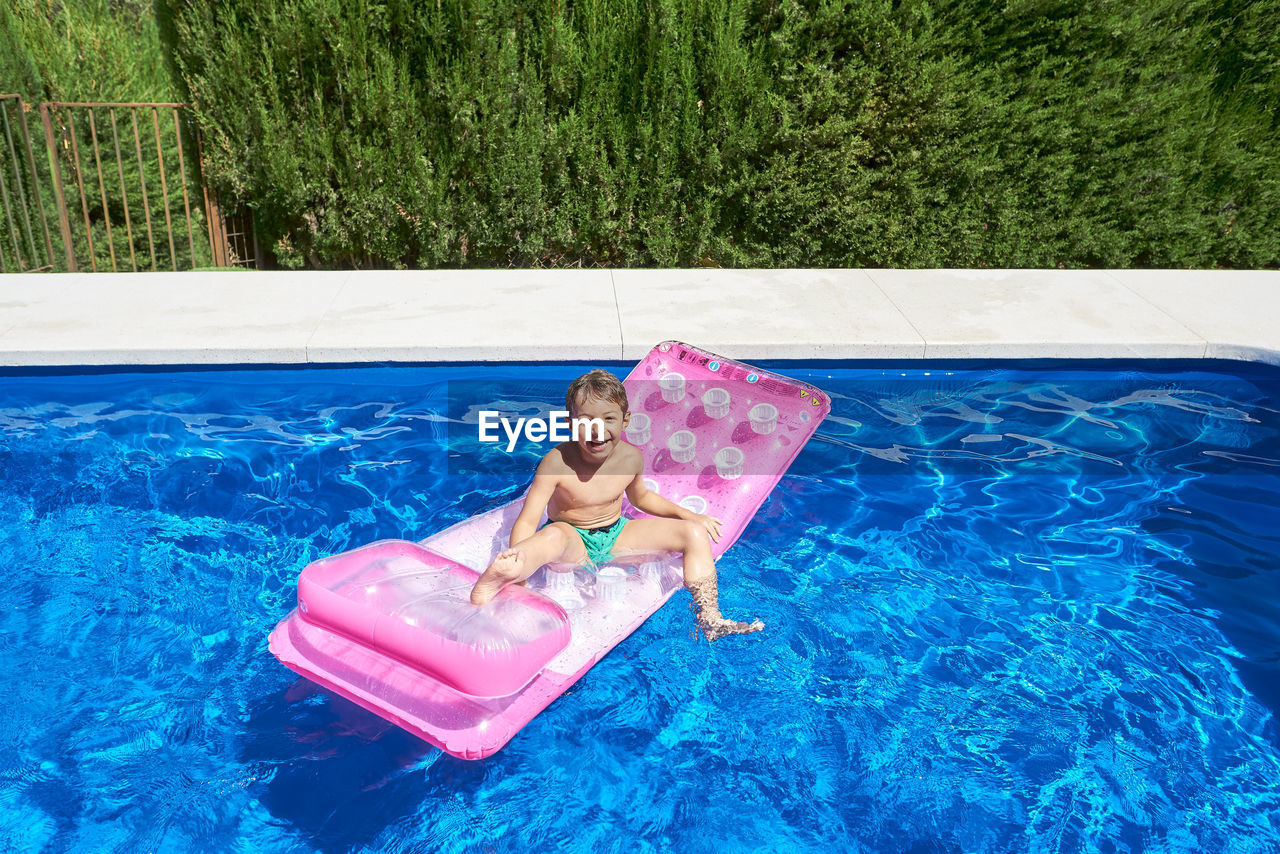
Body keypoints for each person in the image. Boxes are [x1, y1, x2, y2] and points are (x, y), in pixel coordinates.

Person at [469, 369, 764, 641]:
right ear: (570, 423)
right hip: (573, 540)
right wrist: (520, 565)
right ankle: (504, 575)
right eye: (586, 421)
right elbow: (527, 520)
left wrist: (689, 516)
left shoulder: (630, 457)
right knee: (552, 536)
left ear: (625, 421)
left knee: (693, 534)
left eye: (608, 419)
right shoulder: (556, 463)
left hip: (617, 534)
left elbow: (641, 498)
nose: (598, 430)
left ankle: (710, 617)